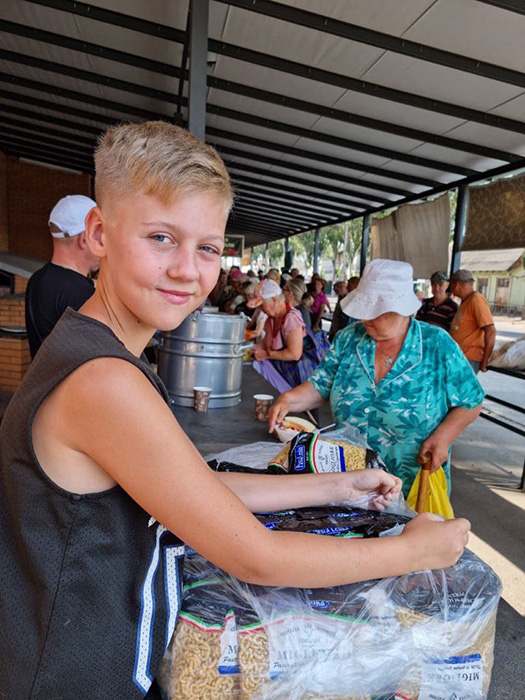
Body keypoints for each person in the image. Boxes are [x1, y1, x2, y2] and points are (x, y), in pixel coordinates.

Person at [0, 123, 470, 699]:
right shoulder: (103, 381)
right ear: (99, 233)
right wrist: (412, 550)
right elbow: (258, 557)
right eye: (161, 238)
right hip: (66, 674)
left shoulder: (95, 347)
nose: (187, 270)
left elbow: (192, 486)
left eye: (208, 248)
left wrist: (334, 487)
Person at [269, 259, 485, 498]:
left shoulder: (437, 345)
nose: (365, 319)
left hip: (412, 483)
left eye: (376, 312)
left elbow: (472, 401)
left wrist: (444, 436)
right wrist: (288, 400)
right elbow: (321, 386)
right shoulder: (348, 338)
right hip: (352, 480)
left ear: (402, 308)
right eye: (363, 310)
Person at [25, 194, 100, 358]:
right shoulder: (82, 293)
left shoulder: (36, 280)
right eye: (98, 235)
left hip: (44, 382)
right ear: (84, 240)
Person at [449, 269, 496, 374]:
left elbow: (491, 331)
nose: (450, 288)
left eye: (451, 285)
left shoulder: (476, 300)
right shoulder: (467, 300)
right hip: (460, 356)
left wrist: (485, 361)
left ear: (456, 284)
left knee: (461, 389)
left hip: (469, 358)